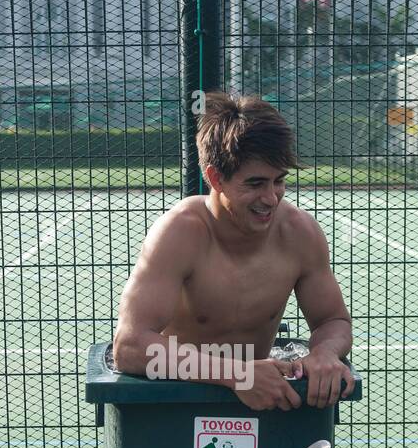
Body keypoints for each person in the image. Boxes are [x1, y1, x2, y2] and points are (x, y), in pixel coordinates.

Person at [112, 92, 354, 411]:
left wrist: (324, 352)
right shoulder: (178, 234)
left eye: (278, 181)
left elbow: (333, 320)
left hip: (261, 400)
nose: (271, 197)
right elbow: (129, 348)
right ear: (215, 178)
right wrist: (237, 375)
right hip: (180, 399)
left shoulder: (299, 232)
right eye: (255, 184)